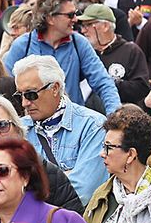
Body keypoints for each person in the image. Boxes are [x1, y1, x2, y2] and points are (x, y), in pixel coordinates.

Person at [4, 0, 122, 114]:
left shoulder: (79, 43)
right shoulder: (22, 45)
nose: (75, 19)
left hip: (73, 125)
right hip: (33, 125)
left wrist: (114, 117)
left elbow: (103, 83)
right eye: (70, 15)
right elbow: (7, 88)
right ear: (50, 18)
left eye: (75, 13)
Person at [15, 54, 110, 202]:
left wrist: (33, 189)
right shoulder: (19, 129)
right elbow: (10, 191)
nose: (24, 103)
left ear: (55, 88)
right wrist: (64, 177)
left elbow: (84, 191)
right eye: (19, 96)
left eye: (31, 94)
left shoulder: (93, 125)